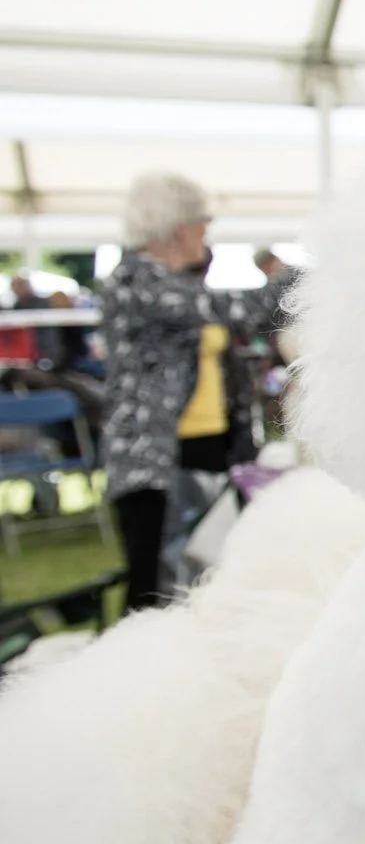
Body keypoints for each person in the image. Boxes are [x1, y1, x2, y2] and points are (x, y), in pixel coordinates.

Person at [101, 173, 293, 611]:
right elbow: (235, 310)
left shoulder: (179, 281)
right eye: (203, 223)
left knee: (203, 575)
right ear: (179, 225)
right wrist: (294, 277)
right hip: (152, 458)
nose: (206, 235)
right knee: (153, 589)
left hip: (206, 448)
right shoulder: (135, 280)